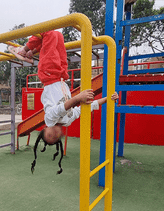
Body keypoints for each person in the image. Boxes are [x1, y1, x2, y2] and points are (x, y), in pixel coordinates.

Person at [10, 31, 118, 174]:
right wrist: (108, 98)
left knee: (49, 32)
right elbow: (88, 107)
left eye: (49, 136)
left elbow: (58, 110)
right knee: (59, 36)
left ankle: (23, 51)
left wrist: (77, 98)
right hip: (61, 76)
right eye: (55, 138)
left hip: (48, 74)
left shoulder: (49, 119)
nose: (53, 134)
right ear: (61, 134)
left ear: (44, 130)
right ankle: (33, 53)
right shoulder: (67, 120)